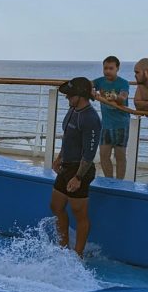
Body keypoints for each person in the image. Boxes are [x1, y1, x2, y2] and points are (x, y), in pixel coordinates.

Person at [50, 77, 102, 259]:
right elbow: (67, 137)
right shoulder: (72, 110)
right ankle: (63, 249)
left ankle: (77, 256)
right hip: (66, 166)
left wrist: (78, 177)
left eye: (70, 95)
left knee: (79, 213)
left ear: (81, 95)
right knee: (56, 206)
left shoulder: (91, 118)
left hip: (80, 170)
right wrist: (58, 158)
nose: (67, 98)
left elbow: (89, 153)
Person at [91, 56, 130, 179]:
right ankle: (109, 180)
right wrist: (91, 90)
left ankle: (119, 183)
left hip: (121, 125)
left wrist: (113, 96)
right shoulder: (100, 81)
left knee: (120, 157)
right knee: (103, 155)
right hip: (106, 125)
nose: (107, 71)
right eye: (105, 68)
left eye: (111, 68)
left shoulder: (123, 83)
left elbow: (123, 97)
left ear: (117, 69)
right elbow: (88, 84)